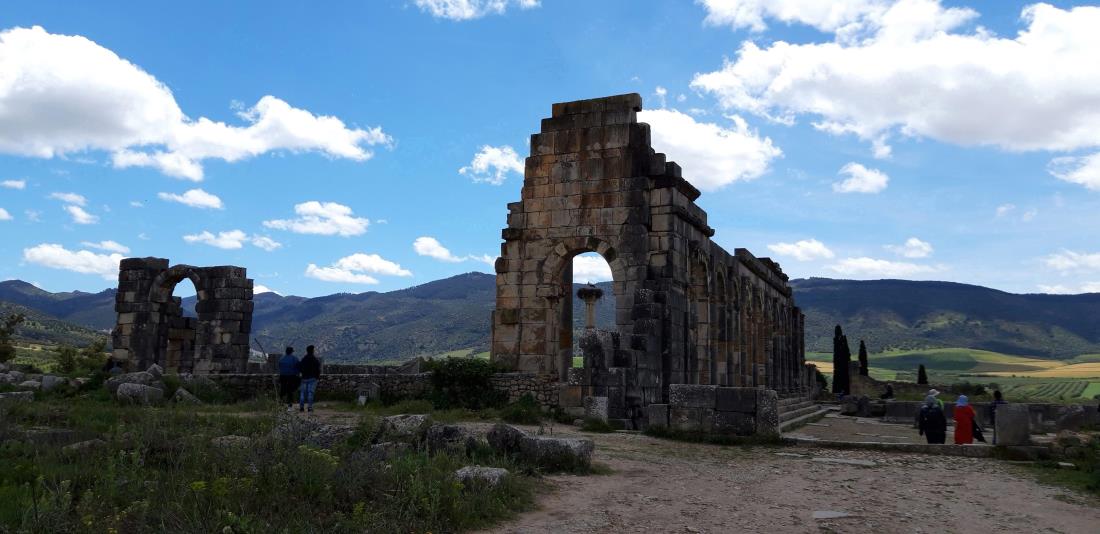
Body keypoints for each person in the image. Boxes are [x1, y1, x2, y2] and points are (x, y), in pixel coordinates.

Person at [299, 345, 322, 413]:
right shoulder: (315, 360)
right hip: (312, 378)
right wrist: (317, 377)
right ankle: (309, 407)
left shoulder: (304, 359)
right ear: (313, 351)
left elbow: (300, 367)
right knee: (310, 392)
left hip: (304, 378)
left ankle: (301, 407)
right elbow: (318, 369)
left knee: (302, 392)